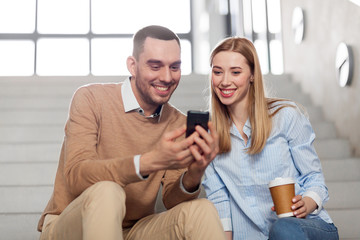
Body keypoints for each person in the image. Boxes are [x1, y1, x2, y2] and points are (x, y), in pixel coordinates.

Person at [38, 25, 226, 240]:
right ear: (132, 66)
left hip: (133, 231)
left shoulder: (178, 123)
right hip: (70, 226)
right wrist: (149, 162)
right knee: (108, 191)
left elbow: (172, 202)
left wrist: (194, 173)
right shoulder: (90, 99)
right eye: (155, 66)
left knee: (201, 210)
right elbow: (77, 177)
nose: (167, 77)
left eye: (174, 67)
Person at [202, 37, 339, 240]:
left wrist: (307, 203)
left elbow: (315, 179)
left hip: (306, 227)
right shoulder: (209, 133)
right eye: (218, 71)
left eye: (236, 72)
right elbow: (219, 199)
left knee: (283, 229)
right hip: (251, 235)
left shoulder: (286, 116)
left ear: (252, 75)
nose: (224, 81)